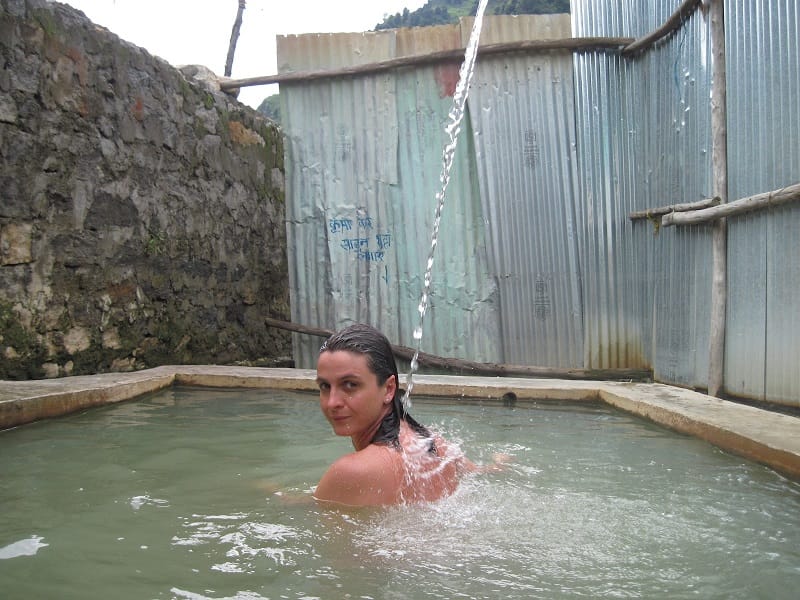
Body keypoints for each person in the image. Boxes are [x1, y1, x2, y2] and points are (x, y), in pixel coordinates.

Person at [314, 323, 504, 507]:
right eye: (324, 386)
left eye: (350, 385)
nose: (332, 402)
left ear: (389, 389)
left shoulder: (350, 472)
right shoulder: (435, 445)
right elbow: (481, 473)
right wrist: (499, 463)